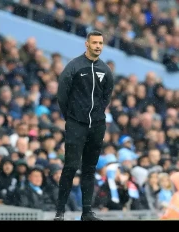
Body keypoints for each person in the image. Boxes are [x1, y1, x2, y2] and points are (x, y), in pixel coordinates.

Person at [54, 30, 114, 221]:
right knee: (70, 166)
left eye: (101, 43)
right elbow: (62, 94)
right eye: (94, 42)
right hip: (76, 124)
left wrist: (96, 114)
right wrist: (71, 116)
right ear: (86, 44)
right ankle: (60, 211)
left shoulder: (105, 70)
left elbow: (106, 97)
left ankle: (87, 212)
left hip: (96, 125)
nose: (98, 46)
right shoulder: (74, 66)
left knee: (89, 168)